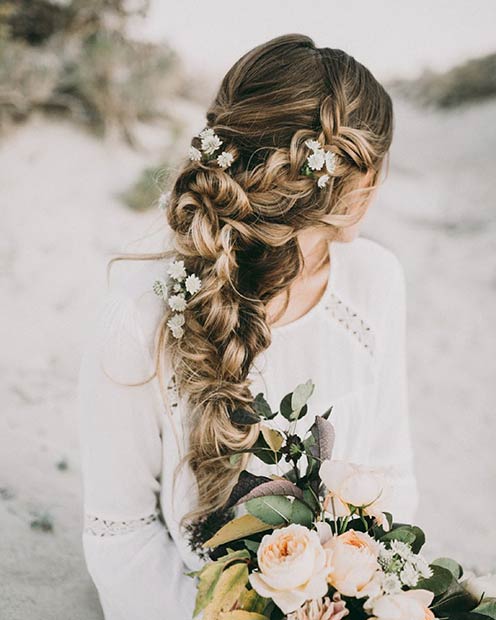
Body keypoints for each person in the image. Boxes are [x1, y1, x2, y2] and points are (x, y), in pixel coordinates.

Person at [77, 33, 419, 620]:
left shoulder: (376, 283)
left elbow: (391, 475)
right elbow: (122, 533)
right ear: (356, 182)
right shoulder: (139, 315)